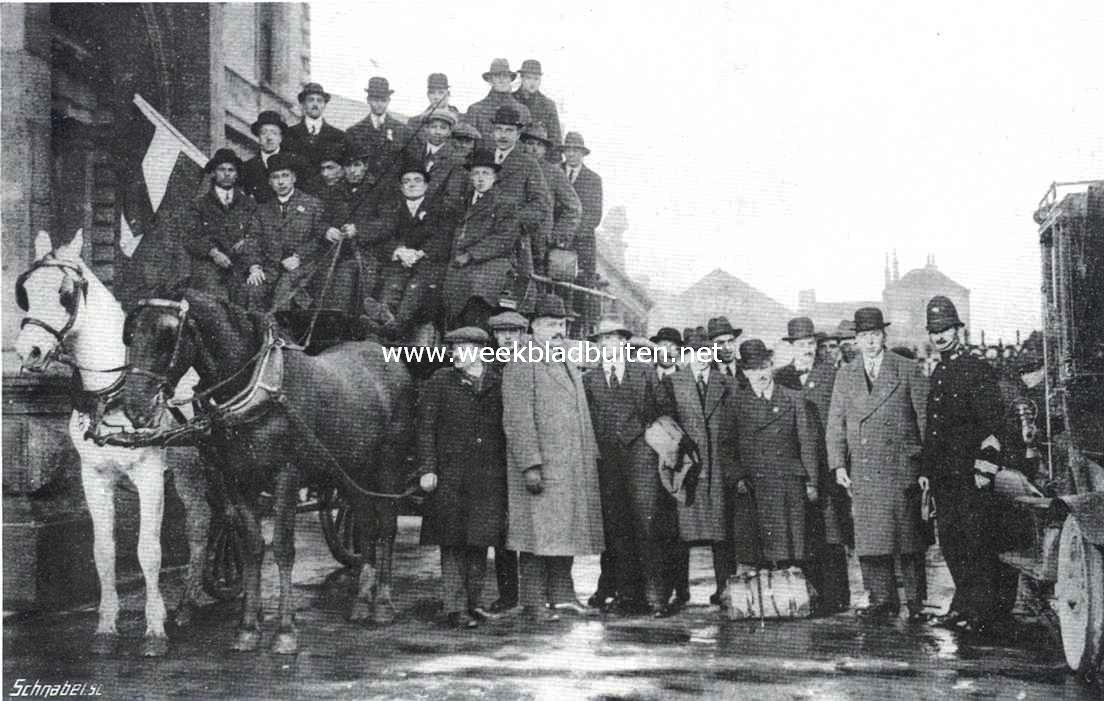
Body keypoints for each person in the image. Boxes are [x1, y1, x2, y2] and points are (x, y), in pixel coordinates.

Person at [501, 293, 604, 623]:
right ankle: (533, 601)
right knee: (535, 535)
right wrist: (530, 464)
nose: (557, 329)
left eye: (561, 323)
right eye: (549, 323)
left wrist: (590, 455)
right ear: (533, 326)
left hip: (571, 463)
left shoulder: (564, 357)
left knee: (566, 533)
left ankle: (562, 596)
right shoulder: (523, 357)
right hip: (543, 465)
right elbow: (517, 416)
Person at [921, 295, 1019, 634]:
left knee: (976, 542)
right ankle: (963, 605)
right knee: (951, 542)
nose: (939, 337)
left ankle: (981, 612)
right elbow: (934, 428)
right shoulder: (939, 370)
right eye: (934, 331)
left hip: (969, 474)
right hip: (944, 475)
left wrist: (984, 468)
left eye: (945, 329)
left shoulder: (975, 368)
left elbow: (993, 425)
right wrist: (927, 472)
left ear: (958, 330)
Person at [826, 307, 930, 623]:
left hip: (901, 466)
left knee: (908, 538)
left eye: (874, 335)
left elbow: (924, 419)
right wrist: (838, 465)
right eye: (863, 337)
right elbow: (836, 424)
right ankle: (881, 599)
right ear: (855, 340)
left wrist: (925, 466)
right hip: (864, 468)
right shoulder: (846, 374)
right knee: (871, 538)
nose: (870, 342)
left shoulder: (907, 369)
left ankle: (915, 601)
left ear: (884, 336)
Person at [583, 317, 676, 617]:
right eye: (602, 340)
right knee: (617, 529)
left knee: (647, 526)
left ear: (624, 342)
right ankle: (627, 595)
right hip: (608, 464)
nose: (608, 345)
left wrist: (645, 435)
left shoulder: (645, 373)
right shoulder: (590, 379)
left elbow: (665, 411)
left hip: (642, 458)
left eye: (613, 339)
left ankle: (656, 596)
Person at [417, 326, 508, 629]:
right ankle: (455, 607)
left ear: (480, 351)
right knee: (452, 541)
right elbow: (426, 428)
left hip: (487, 475)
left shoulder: (497, 381)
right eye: (453, 347)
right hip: (450, 475)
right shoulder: (440, 381)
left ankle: (474, 602)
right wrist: (428, 468)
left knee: (479, 540)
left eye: (462, 347)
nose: (455, 353)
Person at [773, 318, 851, 614]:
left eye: (810, 344)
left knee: (831, 533)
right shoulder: (780, 378)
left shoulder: (832, 375)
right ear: (791, 347)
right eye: (800, 344)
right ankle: (807, 595)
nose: (806, 349)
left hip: (826, 465)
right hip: (794, 467)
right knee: (801, 531)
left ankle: (837, 597)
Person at [656, 328, 736, 607]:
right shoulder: (672, 383)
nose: (702, 358)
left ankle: (726, 589)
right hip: (687, 469)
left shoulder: (726, 383)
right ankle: (680, 590)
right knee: (681, 533)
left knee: (722, 535)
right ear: (685, 355)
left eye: (707, 353)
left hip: (718, 469)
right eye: (695, 353)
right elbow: (666, 424)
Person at [730, 339, 819, 577]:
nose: (759, 374)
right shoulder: (736, 402)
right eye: (752, 369)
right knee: (760, 548)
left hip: (789, 481)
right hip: (754, 484)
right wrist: (738, 477)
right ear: (744, 372)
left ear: (771, 365)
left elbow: (806, 444)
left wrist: (811, 481)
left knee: (792, 546)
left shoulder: (794, 399)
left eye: (763, 367)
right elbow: (727, 446)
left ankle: (794, 596)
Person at [441, 149, 523, 330]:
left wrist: (471, 255)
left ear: (494, 177)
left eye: (485, 173)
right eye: (476, 173)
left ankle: (475, 339)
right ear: (470, 176)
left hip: (493, 260)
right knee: (447, 292)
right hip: (462, 259)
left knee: (477, 292)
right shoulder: (464, 200)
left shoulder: (506, 202)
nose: (480, 178)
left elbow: (504, 238)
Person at [373, 160, 456, 339]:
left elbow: (444, 238)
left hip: (428, 264)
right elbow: (382, 237)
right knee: (390, 289)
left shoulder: (440, 209)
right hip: (400, 263)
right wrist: (399, 251)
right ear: (401, 188)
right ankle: (383, 321)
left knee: (414, 291)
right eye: (406, 181)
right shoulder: (391, 209)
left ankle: (396, 328)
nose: (412, 184)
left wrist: (419, 253)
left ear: (426, 185)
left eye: (417, 180)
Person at [485, 310, 530, 614]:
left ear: (522, 335)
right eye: (502, 335)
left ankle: (533, 593)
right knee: (501, 528)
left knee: (529, 525)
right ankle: (508, 593)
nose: (507, 339)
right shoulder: (487, 369)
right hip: (494, 456)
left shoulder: (532, 366)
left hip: (524, 454)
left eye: (513, 334)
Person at [247, 153, 328, 313]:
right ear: (270, 182)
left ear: (294, 178)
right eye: (276, 177)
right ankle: (258, 336)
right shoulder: (262, 210)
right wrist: (255, 267)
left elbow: (319, 239)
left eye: (285, 176)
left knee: (285, 289)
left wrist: (299, 257)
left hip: (304, 268)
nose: (281, 182)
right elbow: (253, 240)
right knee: (253, 289)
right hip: (270, 269)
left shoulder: (312, 205)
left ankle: (281, 335)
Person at [184, 148, 264, 310]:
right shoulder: (199, 205)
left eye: (231, 170)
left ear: (236, 174)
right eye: (221, 169)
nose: (226, 174)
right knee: (215, 305)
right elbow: (191, 237)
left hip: (241, 265)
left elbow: (255, 236)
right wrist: (213, 253)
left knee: (252, 296)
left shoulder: (249, 205)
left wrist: (254, 266)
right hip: (209, 268)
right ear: (213, 173)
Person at [487, 105, 552, 298]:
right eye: (499, 129)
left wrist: (516, 222)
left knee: (511, 298)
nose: (503, 135)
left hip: (513, 243)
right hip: (478, 236)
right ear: (492, 131)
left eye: (509, 131)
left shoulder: (528, 164)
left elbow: (540, 204)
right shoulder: (481, 158)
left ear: (517, 134)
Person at [520, 122, 581, 276]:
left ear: (545, 149)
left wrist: (556, 236)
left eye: (539, 145)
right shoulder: (513, 167)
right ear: (523, 145)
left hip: (539, 243)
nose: (534, 149)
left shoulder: (554, 173)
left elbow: (574, 208)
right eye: (530, 143)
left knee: (535, 284)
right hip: (510, 236)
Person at [283, 82, 349, 196]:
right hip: (297, 197)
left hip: (328, 198)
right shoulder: (289, 134)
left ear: (324, 105)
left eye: (319, 100)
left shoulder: (338, 136)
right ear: (303, 104)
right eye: (311, 100)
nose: (315, 104)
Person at [345, 77, 412, 189]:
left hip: (393, 193)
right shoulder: (354, 132)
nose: (379, 104)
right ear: (368, 100)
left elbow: (408, 166)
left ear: (389, 101)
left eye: (383, 100)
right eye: (375, 100)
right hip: (365, 193)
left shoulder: (403, 130)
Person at [465, 58, 533, 153]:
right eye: (497, 76)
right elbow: (468, 146)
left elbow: (527, 145)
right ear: (490, 79)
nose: (502, 80)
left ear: (510, 79)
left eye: (505, 76)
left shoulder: (523, 111)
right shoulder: (476, 110)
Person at [561, 132, 602, 286]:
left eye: (576, 150)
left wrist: (570, 234)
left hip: (581, 244)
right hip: (553, 240)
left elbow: (594, 215)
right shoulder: (553, 172)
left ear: (583, 153)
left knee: (580, 286)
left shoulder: (593, 180)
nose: (571, 154)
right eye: (568, 150)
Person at [513, 60, 562, 162]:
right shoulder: (511, 100)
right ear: (521, 78)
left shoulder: (548, 105)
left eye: (536, 79)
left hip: (540, 160)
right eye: (529, 78)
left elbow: (555, 138)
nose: (532, 83)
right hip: (515, 159)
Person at [241, 110, 290, 203]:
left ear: (281, 137)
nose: (269, 138)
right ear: (258, 137)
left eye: (274, 133)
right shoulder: (247, 168)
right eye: (264, 133)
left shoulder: (294, 163)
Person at [707, 316, 743, 380]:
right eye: (720, 343)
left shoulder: (747, 369)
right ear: (711, 347)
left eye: (730, 341)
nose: (727, 347)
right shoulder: (707, 374)